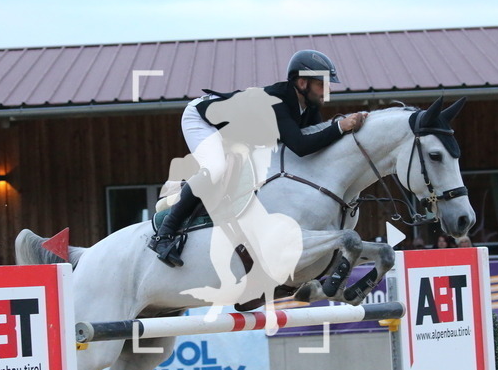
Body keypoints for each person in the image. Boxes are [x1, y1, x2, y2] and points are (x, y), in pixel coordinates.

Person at [149, 49, 368, 267]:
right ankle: (163, 235)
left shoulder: (308, 108)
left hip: (235, 131)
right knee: (217, 167)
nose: (327, 90)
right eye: (323, 84)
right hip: (202, 118)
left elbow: (316, 145)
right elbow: (301, 147)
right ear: (302, 83)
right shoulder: (277, 101)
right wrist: (341, 126)